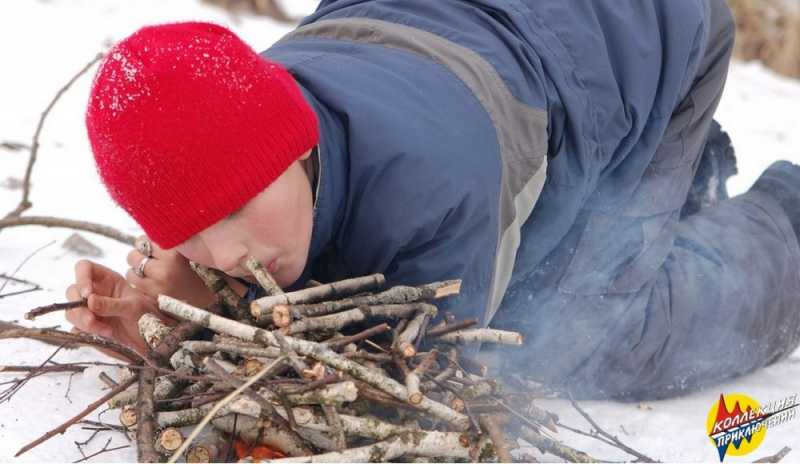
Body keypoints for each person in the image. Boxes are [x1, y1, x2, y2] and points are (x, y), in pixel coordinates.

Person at [67, 0, 800, 401]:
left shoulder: (433, 185)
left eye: (233, 209)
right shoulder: (244, 120)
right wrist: (178, 307)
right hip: (508, 37)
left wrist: (208, 323)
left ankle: (785, 216)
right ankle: (676, 175)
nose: (226, 254)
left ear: (296, 143)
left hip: (652, 26)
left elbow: (417, 377)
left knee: (583, 337)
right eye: (191, 235)